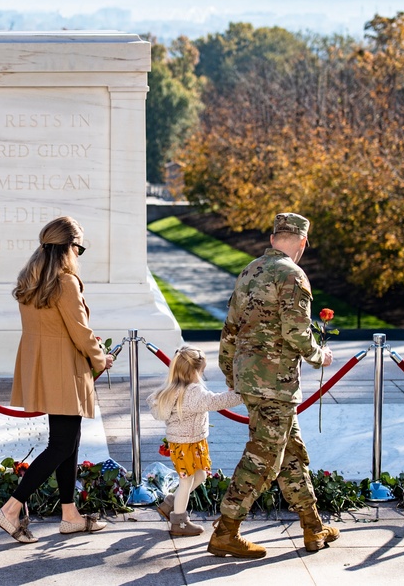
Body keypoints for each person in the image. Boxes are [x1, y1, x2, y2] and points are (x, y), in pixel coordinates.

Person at [207, 212, 339, 559]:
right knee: (263, 457)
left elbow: (231, 325)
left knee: (291, 452)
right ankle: (225, 531)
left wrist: (230, 371)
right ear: (303, 242)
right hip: (274, 382)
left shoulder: (250, 270)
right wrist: (319, 355)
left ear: (272, 239)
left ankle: (313, 527)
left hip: (251, 377)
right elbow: (296, 332)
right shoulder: (293, 275)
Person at [0, 215, 114, 543]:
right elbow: (80, 333)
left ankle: (70, 515)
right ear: (68, 247)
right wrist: (101, 357)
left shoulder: (31, 279)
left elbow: (57, 329)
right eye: (79, 247)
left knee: (67, 442)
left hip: (43, 366)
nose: (79, 253)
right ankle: (12, 509)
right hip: (64, 369)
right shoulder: (65, 282)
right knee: (61, 443)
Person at [148, 346, 242, 536]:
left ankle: (171, 504)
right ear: (193, 371)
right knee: (186, 481)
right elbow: (216, 402)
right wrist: (240, 394)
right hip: (186, 444)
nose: (202, 374)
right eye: (201, 370)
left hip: (191, 442)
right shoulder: (192, 392)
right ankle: (179, 522)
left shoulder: (175, 390)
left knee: (200, 476)